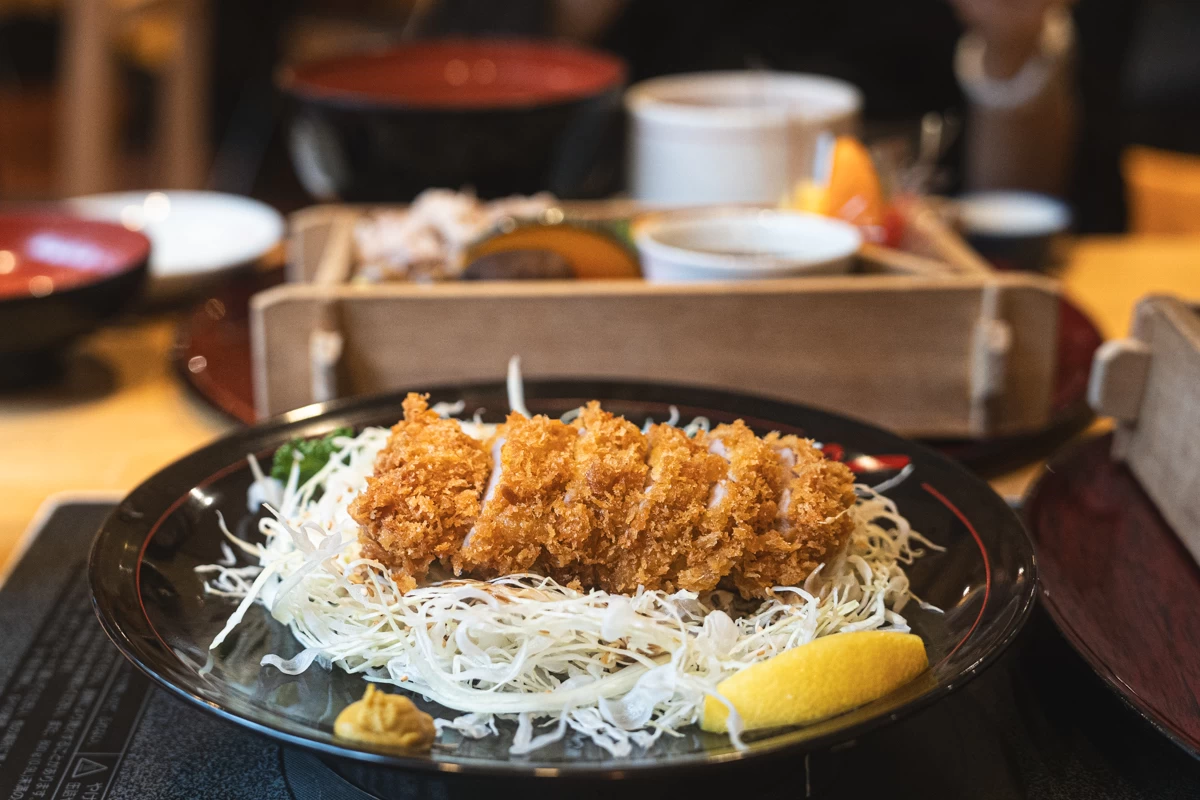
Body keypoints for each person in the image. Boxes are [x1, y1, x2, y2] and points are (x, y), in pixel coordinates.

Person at [423, 0, 1138, 232]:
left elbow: (1049, 210)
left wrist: (1011, 43)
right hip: (610, 257)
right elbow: (435, 127)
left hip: (891, 269)